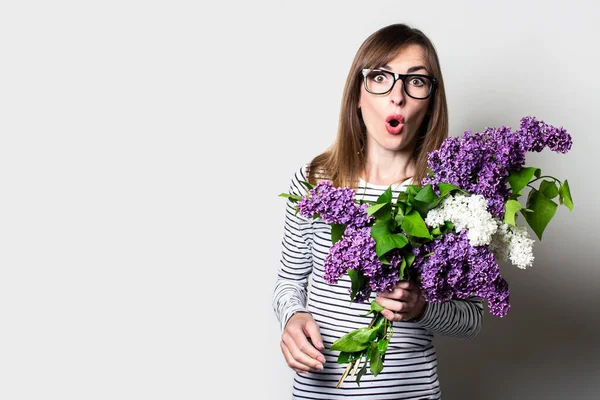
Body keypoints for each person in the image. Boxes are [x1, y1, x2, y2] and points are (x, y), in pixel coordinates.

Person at [273, 23, 483, 399]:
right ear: (357, 94)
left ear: (431, 100)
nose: (397, 96)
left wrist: (422, 308)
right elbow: (289, 283)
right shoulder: (315, 182)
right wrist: (294, 317)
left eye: (416, 82)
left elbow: (474, 318)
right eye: (381, 77)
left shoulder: (451, 198)